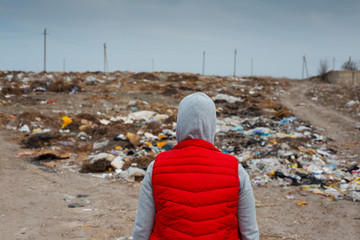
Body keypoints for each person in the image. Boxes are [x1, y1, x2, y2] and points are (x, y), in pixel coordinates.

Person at [133, 92, 259, 240]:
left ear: (180, 123)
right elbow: (250, 232)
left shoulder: (156, 167)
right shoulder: (235, 169)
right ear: (212, 124)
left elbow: (142, 230)